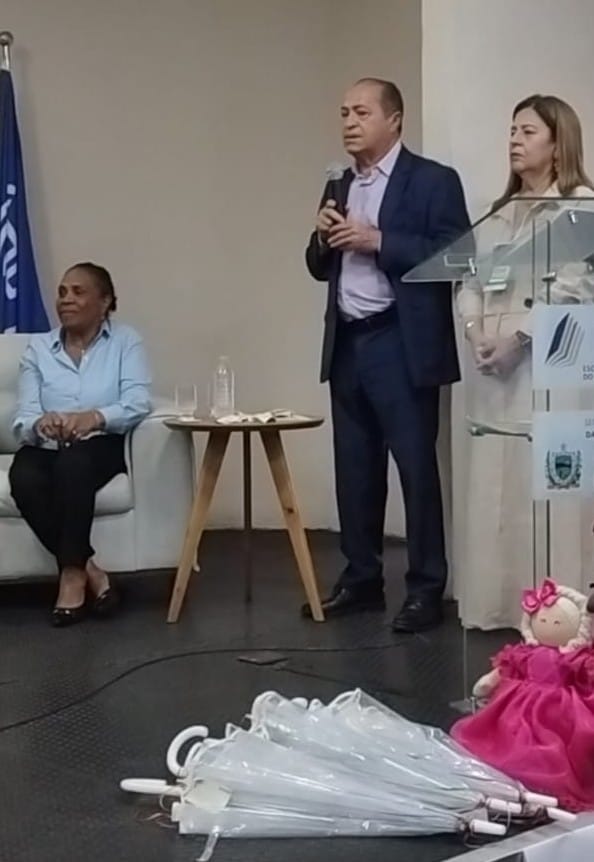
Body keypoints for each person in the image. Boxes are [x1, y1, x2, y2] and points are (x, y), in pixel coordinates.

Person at [304, 77, 470, 632]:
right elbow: (317, 265)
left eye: (362, 112)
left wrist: (378, 241)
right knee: (354, 469)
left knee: (416, 470)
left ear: (394, 120)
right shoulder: (339, 183)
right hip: (348, 342)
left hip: (401, 341)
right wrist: (322, 238)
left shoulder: (433, 181)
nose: (349, 123)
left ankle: (425, 588)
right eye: (343, 113)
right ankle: (361, 579)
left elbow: (458, 257)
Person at [455, 95, 594, 629]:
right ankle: (499, 605)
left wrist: (519, 337)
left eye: (528, 131)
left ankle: (560, 618)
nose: (514, 139)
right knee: (500, 487)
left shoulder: (580, 206)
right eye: (512, 130)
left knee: (550, 493)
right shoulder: (498, 213)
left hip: (549, 370)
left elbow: (574, 288)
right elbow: (470, 281)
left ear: (559, 145)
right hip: (494, 368)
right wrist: (476, 332)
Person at [9, 263, 152, 627]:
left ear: (104, 302)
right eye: (62, 292)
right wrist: (41, 423)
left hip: (100, 443)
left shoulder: (125, 342)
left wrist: (95, 417)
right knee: (23, 476)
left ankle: (72, 577)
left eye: (77, 291)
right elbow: (25, 414)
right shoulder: (39, 348)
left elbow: (137, 402)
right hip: (48, 445)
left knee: (74, 466)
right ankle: (91, 570)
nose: (66, 300)